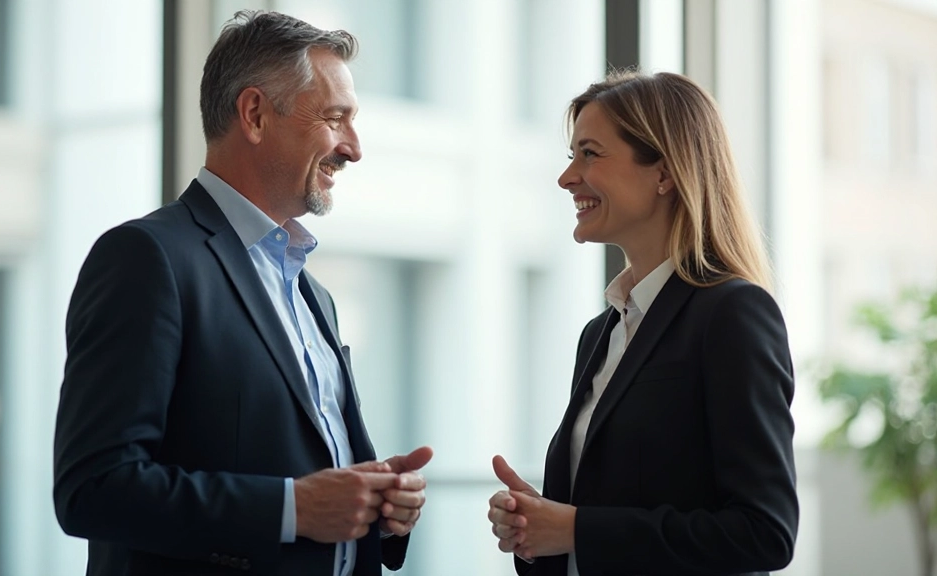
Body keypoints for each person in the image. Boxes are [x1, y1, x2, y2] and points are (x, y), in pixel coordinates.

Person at [53, 10, 432, 576]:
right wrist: (292, 509)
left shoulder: (315, 294)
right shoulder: (147, 259)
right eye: (335, 119)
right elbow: (94, 489)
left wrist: (375, 504)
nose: (353, 148)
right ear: (254, 114)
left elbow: (303, 467)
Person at [487, 71, 798, 576]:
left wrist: (575, 529)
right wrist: (537, 528)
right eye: (571, 155)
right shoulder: (601, 333)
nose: (567, 178)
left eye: (590, 154)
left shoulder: (732, 313)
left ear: (665, 174)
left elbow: (765, 532)